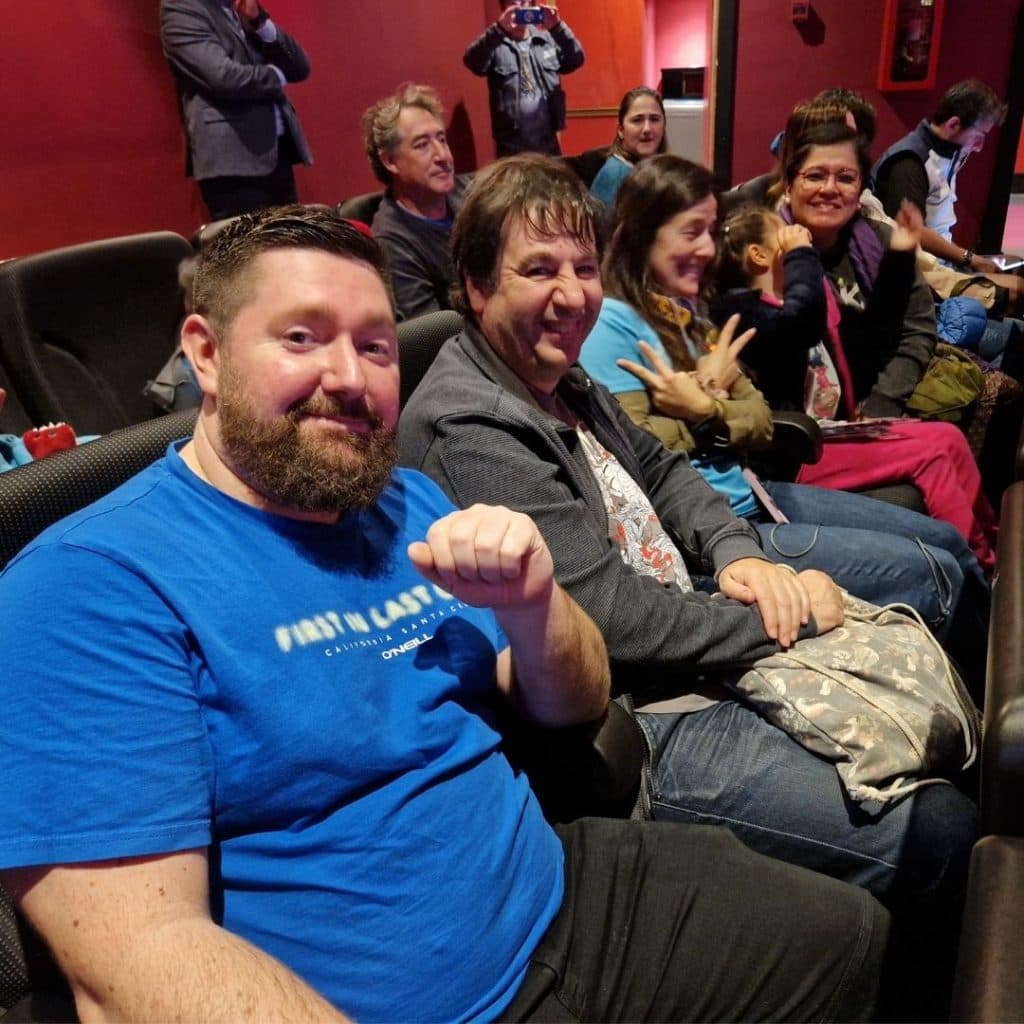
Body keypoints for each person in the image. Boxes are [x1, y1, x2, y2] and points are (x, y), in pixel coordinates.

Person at [0, 206, 890, 1023]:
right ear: (206, 352)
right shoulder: (87, 586)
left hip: (562, 893)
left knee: (855, 936)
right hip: (412, 1003)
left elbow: (576, 705)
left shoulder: (410, 501)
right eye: (302, 337)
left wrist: (535, 602)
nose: (348, 378)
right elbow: (141, 962)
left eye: (378, 347)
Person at [399, 153, 978, 939]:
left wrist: (738, 553)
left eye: (582, 266)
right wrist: (792, 615)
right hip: (639, 714)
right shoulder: (470, 425)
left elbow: (667, 469)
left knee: (937, 600)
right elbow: (611, 622)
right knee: (937, 828)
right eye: (538, 270)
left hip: (696, 622)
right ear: (475, 285)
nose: (572, 295)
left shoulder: (558, 377)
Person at [577, 153, 986, 646]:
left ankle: (1001, 670)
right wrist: (711, 406)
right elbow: (633, 457)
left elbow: (761, 421)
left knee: (946, 540)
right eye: (692, 232)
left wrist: (706, 406)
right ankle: (992, 709)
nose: (708, 248)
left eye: (712, 230)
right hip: (717, 532)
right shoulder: (611, 326)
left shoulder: (689, 313)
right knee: (937, 572)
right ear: (642, 236)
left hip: (757, 493)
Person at [159, 0, 313, 220]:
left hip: (276, 156)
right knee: (248, 250)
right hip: (233, 163)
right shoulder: (182, 8)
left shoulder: (239, 10)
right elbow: (222, 77)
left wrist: (260, 23)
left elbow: (299, 67)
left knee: (290, 243)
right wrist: (275, 75)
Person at [872, 79, 1011, 274]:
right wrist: (969, 258)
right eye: (978, 136)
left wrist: (965, 259)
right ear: (953, 124)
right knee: (1015, 291)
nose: (979, 147)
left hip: (942, 265)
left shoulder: (947, 154)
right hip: (918, 273)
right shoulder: (910, 162)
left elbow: (937, 229)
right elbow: (913, 232)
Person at [363, 83, 470, 320]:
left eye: (442, 140)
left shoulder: (471, 192)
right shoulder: (392, 243)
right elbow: (432, 338)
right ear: (390, 161)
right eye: (422, 145)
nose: (442, 156)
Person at [464, 0, 584, 157]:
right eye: (514, 3)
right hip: (511, 149)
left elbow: (576, 59)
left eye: (524, 2)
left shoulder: (547, 39)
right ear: (505, 7)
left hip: (549, 145)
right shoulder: (495, 44)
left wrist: (557, 27)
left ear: (531, 4)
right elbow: (472, 62)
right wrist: (498, 29)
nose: (520, 8)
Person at [589, 86, 667, 208]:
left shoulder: (655, 169)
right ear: (621, 130)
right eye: (637, 120)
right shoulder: (615, 175)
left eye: (654, 119)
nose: (647, 128)